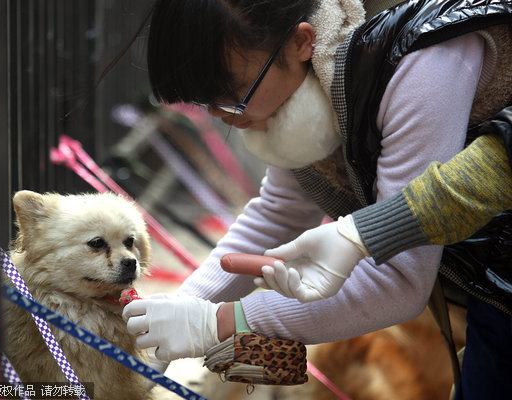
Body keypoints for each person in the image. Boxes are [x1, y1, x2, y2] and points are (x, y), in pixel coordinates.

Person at [122, 1, 512, 399]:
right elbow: (279, 211)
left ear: (301, 42)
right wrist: (178, 309)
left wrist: (220, 322)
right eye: (205, 102)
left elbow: (400, 279)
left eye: (231, 94)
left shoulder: (423, 60)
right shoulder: (303, 89)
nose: (222, 116)